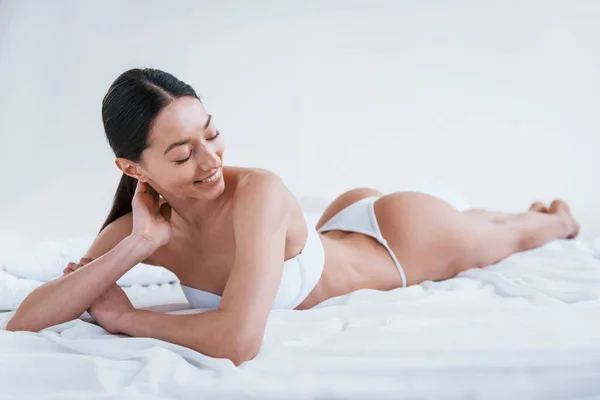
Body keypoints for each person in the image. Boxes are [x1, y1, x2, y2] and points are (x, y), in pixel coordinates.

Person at [6, 68, 580, 365]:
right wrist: (132, 248)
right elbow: (24, 320)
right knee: (493, 225)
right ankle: (492, 215)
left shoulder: (258, 190)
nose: (211, 162)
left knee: (525, 232)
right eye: (182, 155)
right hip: (333, 232)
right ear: (134, 168)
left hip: (403, 242)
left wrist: (129, 321)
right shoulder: (139, 229)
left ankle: (553, 217)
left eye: (212, 134)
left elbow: (238, 339)